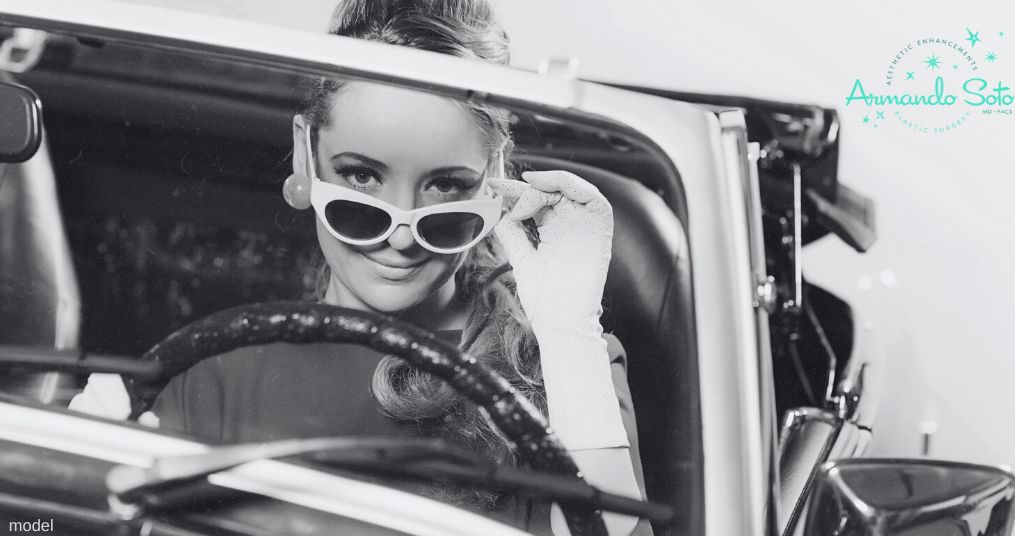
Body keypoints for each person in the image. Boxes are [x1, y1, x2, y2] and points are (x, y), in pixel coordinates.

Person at [70, 1, 650, 534]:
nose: (401, 233)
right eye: (362, 178)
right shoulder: (207, 375)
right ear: (306, 154)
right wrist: (71, 462)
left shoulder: (566, 367)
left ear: (493, 174)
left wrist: (569, 333)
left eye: (446, 185)